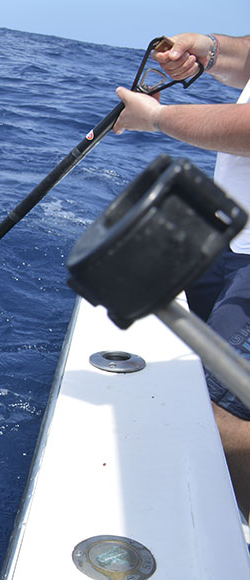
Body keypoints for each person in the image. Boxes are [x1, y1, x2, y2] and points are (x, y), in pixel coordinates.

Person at [113, 33, 250, 516]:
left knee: (225, 408)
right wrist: (208, 52)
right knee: (204, 371)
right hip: (238, 239)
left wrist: (157, 118)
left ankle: (225, 535)